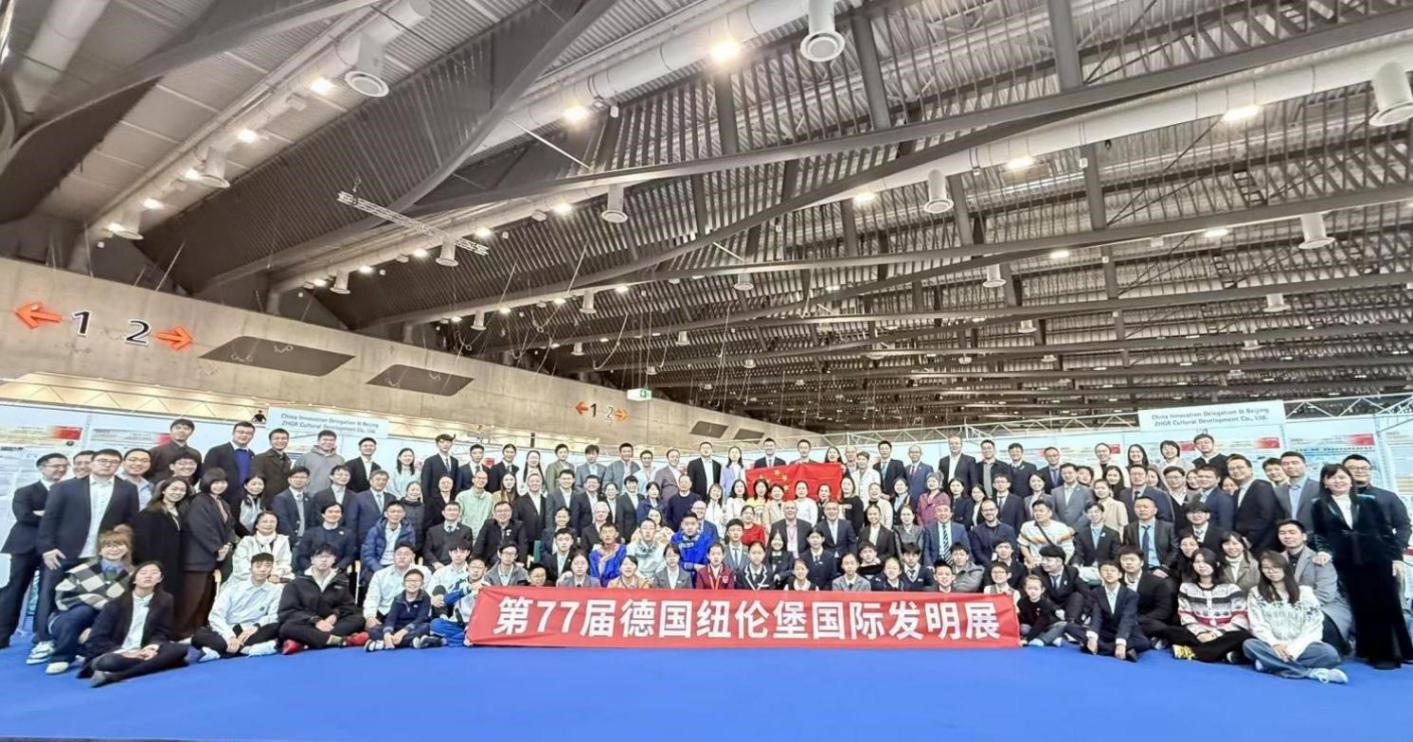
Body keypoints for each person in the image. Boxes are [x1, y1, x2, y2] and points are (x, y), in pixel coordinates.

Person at [31, 449, 139, 663]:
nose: (107, 465)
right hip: (62, 552)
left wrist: (120, 543)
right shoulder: (64, 487)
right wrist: (47, 548)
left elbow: (130, 520)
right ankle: (44, 639)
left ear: (119, 465)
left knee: (98, 599)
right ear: (92, 463)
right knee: (49, 594)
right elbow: (50, 519)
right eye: (102, 461)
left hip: (102, 555)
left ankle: (83, 643)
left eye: (113, 462)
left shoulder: (127, 489)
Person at [1309, 463, 1413, 669]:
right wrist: (1324, 551)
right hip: (1347, 563)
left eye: (1342, 477)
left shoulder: (1368, 501)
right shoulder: (1318, 505)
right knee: (1364, 606)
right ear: (1325, 482)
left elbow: (1385, 531)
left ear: (1350, 480)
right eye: (1332, 478)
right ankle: (1377, 653)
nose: (1338, 481)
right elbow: (1321, 534)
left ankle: (1401, 651)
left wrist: (1396, 558)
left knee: (1389, 604)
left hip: (1378, 558)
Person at [75, 561, 186, 687]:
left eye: (154, 573)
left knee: (179, 649)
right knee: (108, 662)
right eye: (143, 573)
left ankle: (117, 676)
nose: (148, 576)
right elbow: (96, 640)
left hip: (144, 651)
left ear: (160, 579)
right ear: (134, 579)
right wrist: (126, 652)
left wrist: (151, 648)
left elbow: (162, 631)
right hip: (116, 653)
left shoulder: (165, 600)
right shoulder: (114, 605)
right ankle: (159, 663)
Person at [1241, 551, 1348, 683]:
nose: (1271, 571)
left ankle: (1269, 663)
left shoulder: (1305, 592)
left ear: (1285, 568)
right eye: (1266, 568)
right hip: (1272, 644)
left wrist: (1293, 650)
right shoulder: (1256, 593)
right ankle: (1309, 673)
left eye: (1276, 567)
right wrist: (1275, 644)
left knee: (1330, 654)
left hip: (1301, 645)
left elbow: (1313, 626)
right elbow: (1257, 623)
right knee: (1249, 645)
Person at [39, 527, 134, 674]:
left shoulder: (133, 574)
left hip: (105, 622)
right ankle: (61, 657)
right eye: (108, 546)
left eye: (119, 545)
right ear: (100, 550)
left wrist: (94, 628)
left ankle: (86, 648)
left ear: (127, 548)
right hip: (70, 619)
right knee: (83, 611)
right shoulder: (82, 570)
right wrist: (96, 600)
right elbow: (63, 596)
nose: (114, 549)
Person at [0, 453, 69, 650]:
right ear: (42, 468)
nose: (60, 469)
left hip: (55, 548)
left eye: (64, 466)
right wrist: (53, 517)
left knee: (48, 591)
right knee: (15, 589)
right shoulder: (25, 491)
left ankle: (42, 637)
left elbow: (71, 518)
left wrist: (43, 513)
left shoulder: (68, 491)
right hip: (25, 546)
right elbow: (24, 516)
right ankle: (3, 634)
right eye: (55, 466)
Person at [277, 544, 368, 654]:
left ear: (334, 559)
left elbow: (349, 606)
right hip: (307, 623)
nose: (324, 560)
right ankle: (340, 640)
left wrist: (335, 615)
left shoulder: (341, 580)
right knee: (286, 628)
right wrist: (315, 620)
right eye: (319, 556)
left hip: (331, 624)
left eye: (328, 556)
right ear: (312, 560)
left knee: (359, 619)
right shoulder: (296, 582)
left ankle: (304, 642)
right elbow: (287, 611)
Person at [190, 553, 282, 660]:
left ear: (271, 569)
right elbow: (216, 616)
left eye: (267, 566)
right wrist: (230, 636)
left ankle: (220, 651)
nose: (263, 569)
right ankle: (246, 650)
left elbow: (273, 616)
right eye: (258, 566)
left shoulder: (275, 591)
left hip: (251, 632)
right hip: (228, 629)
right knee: (198, 636)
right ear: (250, 569)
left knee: (278, 626)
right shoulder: (232, 589)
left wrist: (256, 627)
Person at [1277, 519, 1351, 651]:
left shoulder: (1320, 558)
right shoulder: (1276, 560)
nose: (1287, 536)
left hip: (1325, 606)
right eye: (1282, 533)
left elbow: (1326, 594)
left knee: (1323, 633)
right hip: (1287, 606)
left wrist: (1299, 608)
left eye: (1292, 532)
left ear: (1304, 536)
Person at [177, 469, 235, 637]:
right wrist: (217, 548)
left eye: (223, 482)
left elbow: (230, 526)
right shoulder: (198, 501)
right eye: (215, 482)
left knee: (206, 598)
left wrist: (227, 544)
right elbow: (200, 527)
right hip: (198, 558)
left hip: (214, 558)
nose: (220, 486)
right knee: (192, 598)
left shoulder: (223, 503)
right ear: (207, 483)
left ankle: (198, 631)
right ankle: (182, 632)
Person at [1170, 548, 1252, 663]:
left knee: (1243, 637)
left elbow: (1240, 617)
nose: (1201, 565)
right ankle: (1223, 654)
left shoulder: (1231, 588)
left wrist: (1216, 634)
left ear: (1216, 564)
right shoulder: (1186, 587)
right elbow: (1185, 615)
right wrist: (1200, 632)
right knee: (1173, 631)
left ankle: (1193, 652)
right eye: (1197, 562)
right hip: (1199, 631)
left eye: (1206, 562)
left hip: (1225, 633)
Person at [1067, 560, 1147, 661]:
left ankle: (1100, 649)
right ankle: (1122, 650)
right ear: (1100, 575)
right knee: (1070, 627)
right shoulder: (1095, 592)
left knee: (1143, 643)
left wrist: (1121, 643)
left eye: (1112, 570)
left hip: (1125, 630)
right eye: (1105, 570)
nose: (1109, 573)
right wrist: (1093, 637)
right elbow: (1096, 616)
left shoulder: (1131, 595)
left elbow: (1127, 619)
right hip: (1105, 630)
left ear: (1120, 575)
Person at [131, 478, 187, 619]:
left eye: (182, 490)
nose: (178, 492)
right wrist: (148, 565)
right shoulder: (150, 513)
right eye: (174, 489)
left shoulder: (180, 512)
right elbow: (141, 542)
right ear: (163, 490)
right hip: (155, 564)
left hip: (173, 564)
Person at [366, 569, 438, 651]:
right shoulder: (398, 598)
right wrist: (387, 634)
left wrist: (403, 632)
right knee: (373, 629)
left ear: (422, 584)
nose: (412, 583)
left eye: (417, 581)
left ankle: (383, 644)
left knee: (427, 627)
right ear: (403, 584)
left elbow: (420, 619)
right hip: (398, 626)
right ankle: (409, 642)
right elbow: (391, 619)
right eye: (409, 580)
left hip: (414, 627)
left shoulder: (425, 597)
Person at [1118, 546, 1175, 646]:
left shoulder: (1156, 582)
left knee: (1158, 627)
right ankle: (1140, 641)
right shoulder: (1116, 581)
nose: (1128, 563)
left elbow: (1163, 610)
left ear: (1141, 562)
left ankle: (1130, 640)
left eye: (1132, 559)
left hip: (1144, 620)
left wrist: (1138, 619)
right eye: (1124, 560)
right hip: (1122, 619)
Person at [429, 549, 481, 643]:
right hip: (457, 622)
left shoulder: (487, 586)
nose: (476, 570)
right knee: (435, 624)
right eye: (473, 567)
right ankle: (466, 636)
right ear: (468, 569)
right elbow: (446, 599)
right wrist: (466, 590)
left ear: (485, 570)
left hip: (476, 623)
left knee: (483, 629)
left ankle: (444, 640)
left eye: (480, 567)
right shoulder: (459, 581)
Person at [360, 501, 417, 581]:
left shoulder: (408, 531)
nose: (396, 514)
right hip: (378, 565)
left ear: (404, 514)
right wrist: (379, 570)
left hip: (399, 566)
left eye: (399, 512)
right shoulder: (375, 531)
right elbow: (368, 555)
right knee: (372, 581)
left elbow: (409, 553)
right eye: (392, 511)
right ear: (386, 514)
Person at [204, 421, 258, 506]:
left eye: (248, 433)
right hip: (220, 498)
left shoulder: (252, 455)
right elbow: (206, 475)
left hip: (243, 500)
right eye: (240, 432)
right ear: (233, 433)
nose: (244, 435)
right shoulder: (216, 451)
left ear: (252, 436)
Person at [231, 511, 293, 583]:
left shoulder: (283, 540)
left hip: (275, 579)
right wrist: (260, 576)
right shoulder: (247, 541)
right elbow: (240, 564)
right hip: (247, 579)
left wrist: (275, 575)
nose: (268, 524)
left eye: (272, 522)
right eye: (265, 521)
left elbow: (285, 562)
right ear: (256, 525)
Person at [1032, 545, 1088, 620]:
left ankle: (1072, 622)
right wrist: (1056, 609)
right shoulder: (1037, 572)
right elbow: (1041, 596)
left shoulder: (1071, 572)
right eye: (1043, 559)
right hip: (1049, 608)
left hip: (1068, 607)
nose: (1043, 562)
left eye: (1048, 560)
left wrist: (1085, 613)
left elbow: (1085, 592)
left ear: (1059, 561)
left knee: (1077, 596)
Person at [1123, 496, 1175, 575]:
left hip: (1162, 569)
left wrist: (1164, 567)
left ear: (1155, 510)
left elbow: (1174, 550)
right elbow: (1127, 550)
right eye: (1138, 507)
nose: (1142, 509)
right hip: (1137, 570)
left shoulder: (1167, 527)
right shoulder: (1129, 528)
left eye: (1146, 507)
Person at [1072, 501, 1122, 582]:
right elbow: (1078, 553)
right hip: (1087, 569)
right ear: (1087, 515)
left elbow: (1116, 555)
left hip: (1107, 570)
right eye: (1090, 512)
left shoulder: (1112, 534)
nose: (1093, 514)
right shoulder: (1081, 533)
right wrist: (1076, 565)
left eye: (1096, 512)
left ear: (1102, 513)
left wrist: (1109, 568)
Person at [1017, 575, 1065, 646]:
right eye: (1029, 588)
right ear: (1025, 589)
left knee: (1062, 624)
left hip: (1046, 625)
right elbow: (1021, 618)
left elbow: (1041, 623)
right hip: (1031, 626)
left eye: (1036, 589)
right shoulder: (1021, 602)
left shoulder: (1046, 603)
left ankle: (1042, 640)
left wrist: (1027, 639)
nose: (1033, 591)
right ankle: (1051, 639)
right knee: (1024, 628)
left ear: (1042, 590)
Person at [272, 466, 316, 544]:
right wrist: (294, 540)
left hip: (305, 541)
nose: (299, 480)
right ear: (289, 480)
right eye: (296, 477)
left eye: (303, 477)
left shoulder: (309, 499)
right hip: (287, 541)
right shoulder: (280, 498)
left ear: (307, 480)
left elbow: (312, 521)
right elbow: (282, 522)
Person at [424, 501, 474, 570]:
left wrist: (456, 564)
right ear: (443, 513)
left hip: (458, 566)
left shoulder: (466, 530)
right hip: (436, 566)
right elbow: (426, 550)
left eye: (455, 510)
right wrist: (435, 563)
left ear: (459, 513)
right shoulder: (432, 531)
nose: (452, 512)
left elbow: (468, 551)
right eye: (449, 510)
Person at [252, 429, 294, 498]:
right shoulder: (260, 458)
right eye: (276, 438)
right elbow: (256, 482)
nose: (280, 441)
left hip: (284, 499)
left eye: (283, 438)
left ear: (287, 441)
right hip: (266, 499)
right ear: (270, 441)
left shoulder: (287, 460)